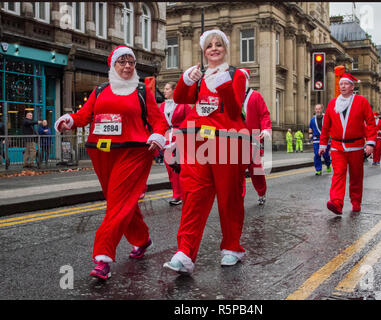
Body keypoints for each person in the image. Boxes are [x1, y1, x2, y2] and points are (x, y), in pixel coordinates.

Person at [55, 45, 168, 280]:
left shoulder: (141, 90)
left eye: (131, 62)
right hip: (103, 153)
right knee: (122, 202)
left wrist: (158, 136)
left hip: (134, 153)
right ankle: (142, 239)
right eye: (122, 62)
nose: (127, 66)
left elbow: (159, 122)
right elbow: (84, 116)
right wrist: (69, 120)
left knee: (116, 205)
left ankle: (102, 258)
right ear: (113, 65)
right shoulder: (100, 90)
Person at [163, 29, 248, 275]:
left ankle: (232, 248)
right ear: (204, 51)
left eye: (218, 44)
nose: (213, 48)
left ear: (225, 48)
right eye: (209, 45)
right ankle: (185, 253)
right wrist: (187, 79)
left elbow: (233, 111)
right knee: (193, 197)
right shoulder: (199, 77)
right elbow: (180, 98)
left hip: (227, 142)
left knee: (229, 198)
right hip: (196, 141)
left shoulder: (237, 75)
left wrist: (223, 86)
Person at [319, 73, 376, 215]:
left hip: (356, 146)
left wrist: (370, 143)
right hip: (337, 147)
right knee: (338, 173)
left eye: (346, 84)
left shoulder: (361, 101)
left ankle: (356, 202)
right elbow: (326, 126)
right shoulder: (333, 103)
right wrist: (323, 144)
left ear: (352, 86)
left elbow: (370, 122)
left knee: (356, 176)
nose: (343, 86)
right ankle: (337, 203)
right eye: (341, 84)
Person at [240, 68, 272, 205]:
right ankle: (238, 196)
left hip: (253, 138)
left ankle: (261, 192)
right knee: (236, 172)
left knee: (256, 170)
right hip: (236, 139)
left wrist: (265, 129)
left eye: (243, 79)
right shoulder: (232, 97)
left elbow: (264, 114)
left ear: (248, 80)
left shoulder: (256, 96)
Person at [160, 81, 192, 206]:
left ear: (174, 90)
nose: (164, 91)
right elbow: (161, 123)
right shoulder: (162, 106)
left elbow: (190, 122)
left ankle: (179, 195)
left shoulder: (184, 105)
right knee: (170, 169)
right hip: (167, 138)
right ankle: (177, 193)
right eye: (165, 88)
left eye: (167, 88)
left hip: (180, 138)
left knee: (178, 168)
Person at [309, 104, 331, 176]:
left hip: (325, 139)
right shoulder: (312, 120)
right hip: (316, 139)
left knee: (325, 154)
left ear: (322, 109)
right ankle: (318, 170)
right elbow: (310, 128)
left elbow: (331, 127)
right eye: (316, 109)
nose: (318, 110)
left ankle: (328, 164)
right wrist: (310, 134)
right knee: (317, 154)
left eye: (319, 109)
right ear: (315, 110)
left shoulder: (327, 118)